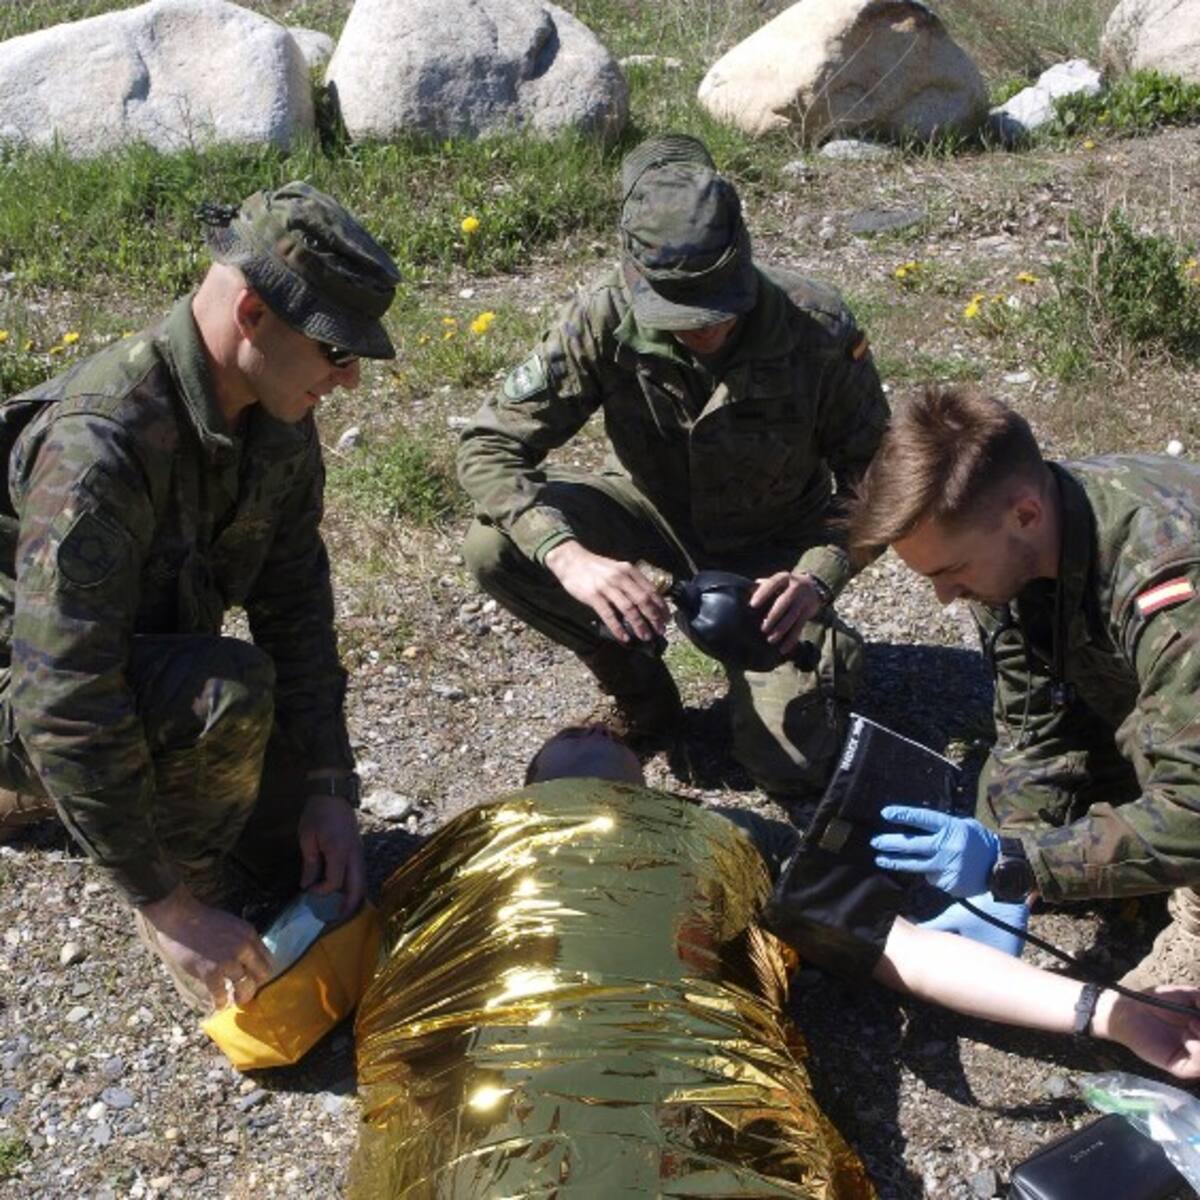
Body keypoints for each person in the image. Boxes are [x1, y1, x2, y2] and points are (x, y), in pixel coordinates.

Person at [0, 181, 400, 1012]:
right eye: (334, 350)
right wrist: (169, 905)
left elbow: (296, 606)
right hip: (29, 690)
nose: (351, 380)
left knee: (309, 847)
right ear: (251, 315)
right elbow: (60, 696)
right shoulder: (100, 445)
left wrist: (329, 783)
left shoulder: (277, 420)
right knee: (229, 692)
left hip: (130, 662)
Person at [457, 133, 889, 806]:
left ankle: (823, 661)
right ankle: (641, 696)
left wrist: (816, 577)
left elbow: (882, 479)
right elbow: (488, 444)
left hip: (774, 549)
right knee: (495, 548)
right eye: (680, 314)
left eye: (716, 307)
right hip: (649, 510)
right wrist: (568, 555)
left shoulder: (816, 327)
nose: (702, 331)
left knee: (791, 762)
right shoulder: (602, 315)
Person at [527, 724, 1200, 1081]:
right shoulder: (478, 857)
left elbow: (900, 947)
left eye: (614, 751)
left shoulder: (727, 839)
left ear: (659, 794)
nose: (596, 739)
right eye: (574, 744)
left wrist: (1114, 1013)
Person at [845, 385, 1200, 988]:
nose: (944, 596)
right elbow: (1035, 729)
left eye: (952, 571)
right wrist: (1009, 859)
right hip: (1157, 684)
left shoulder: (1170, 585)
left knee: (1158, 759)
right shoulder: (1016, 544)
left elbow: (1194, 805)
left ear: (1026, 514)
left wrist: (1022, 864)